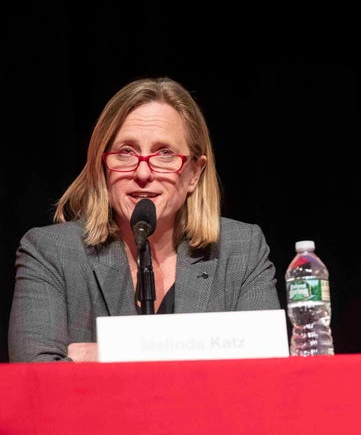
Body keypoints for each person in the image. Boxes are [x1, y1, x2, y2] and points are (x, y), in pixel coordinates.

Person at [9, 77, 282, 362]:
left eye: (164, 153)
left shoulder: (242, 249)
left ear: (194, 174)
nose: (142, 173)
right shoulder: (49, 253)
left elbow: (263, 372)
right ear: (103, 165)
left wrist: (111, 355)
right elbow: (37, 385)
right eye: (126, 152)